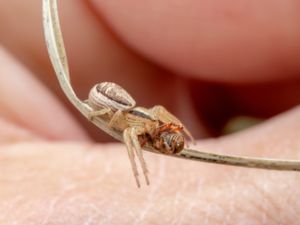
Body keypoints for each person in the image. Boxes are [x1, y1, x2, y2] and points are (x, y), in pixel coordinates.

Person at [0, 1, 299, 223]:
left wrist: (179, 130)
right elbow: (128, 128)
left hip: (125, 103)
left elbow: (157, 111)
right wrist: (140, 167)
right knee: (131, 124)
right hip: (105, 98)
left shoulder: (150, 118)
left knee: (147, 113)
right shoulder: (131, 124)